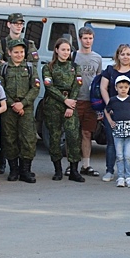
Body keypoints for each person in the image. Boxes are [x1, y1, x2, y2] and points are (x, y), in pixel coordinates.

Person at [0, 38, 40, 183]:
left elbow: (36, 88)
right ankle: (13, 170)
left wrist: (23, 103)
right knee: (10, 139)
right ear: (9, 53)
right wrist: (12, 104)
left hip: (26, 109)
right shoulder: (3, 69)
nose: (19, 55)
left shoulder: (30, 68)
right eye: (16, 52)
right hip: (9, 109)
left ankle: (25, 171)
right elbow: (0, 88)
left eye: (21, 52)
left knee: (28, 139)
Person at [42, 38, 85, 182]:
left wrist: (69, 104)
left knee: (73, 137)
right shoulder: (48, 67)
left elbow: (77, 85)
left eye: (68, 50)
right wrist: (64, 100)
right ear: (56, 50)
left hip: (70, 105)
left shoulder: (75, 66)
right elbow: (49, 86)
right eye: (63, 49)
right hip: (53, 105)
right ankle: (58, 170)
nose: (66, 52)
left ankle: (74, 170)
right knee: (54, 137)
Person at [100, 44, 130, 182]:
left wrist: (128, 106)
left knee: (128, 144)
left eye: (128, 54)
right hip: (112, 112)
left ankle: (127, 174)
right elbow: (103, 87)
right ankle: (109, 171)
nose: (125, 57)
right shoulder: (109, 70)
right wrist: (110, 104)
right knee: (112, 143)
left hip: (128, 114)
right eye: (122, 54)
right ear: (118, 55)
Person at [74, 27, 103, 177]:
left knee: (87, 133)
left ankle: (86, 165)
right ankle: (72, 164)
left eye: (90, 38)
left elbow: (99, 81)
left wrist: (99, 105)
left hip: (90, 101)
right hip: (76, 100)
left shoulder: (97, 58)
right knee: (73, 133)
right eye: (85, 38)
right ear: (80, 39)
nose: (88, 41)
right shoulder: (74, 56)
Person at [104, 75, 130, 188]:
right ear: (116, 88)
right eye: (120, 87)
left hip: (129, 130)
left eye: (125, 87)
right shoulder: (113, 100)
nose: (123, 89)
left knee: (128, 155)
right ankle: (120, 177)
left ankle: (129, 177)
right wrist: (110, 121)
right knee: (119, 155)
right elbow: (106, 110)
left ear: (129, 87)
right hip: (117, 130)